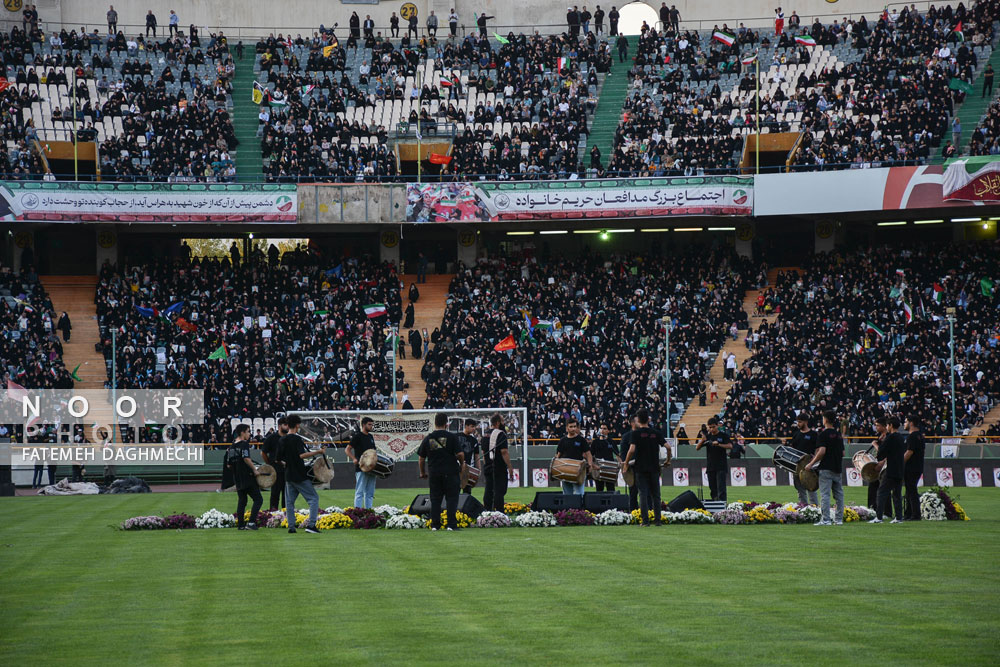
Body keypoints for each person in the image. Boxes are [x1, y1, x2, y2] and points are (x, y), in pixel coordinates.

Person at [418, 413, 465, 531]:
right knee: (452, 498)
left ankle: (435, 525)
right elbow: (460, 454)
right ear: (446, 423)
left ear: (435, 423)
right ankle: (451, 525)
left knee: (435, 499)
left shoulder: (429, 438)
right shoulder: (452, 437)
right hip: (451, 472)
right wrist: (461, 463)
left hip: (434, 473)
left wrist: (422, 472)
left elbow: (421, 458)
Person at [280, 415, 325, 534]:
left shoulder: (282, 439)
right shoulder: (297, 439)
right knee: (313, 498)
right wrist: (318, 451)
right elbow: (302, 455)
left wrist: (288, 463)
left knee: (289, 502)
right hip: (299, 474)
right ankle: (311, 525)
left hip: (288, 474)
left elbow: (278, 458)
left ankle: (291, 527)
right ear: (297, 425)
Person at [622, 409, 667, 526]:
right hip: (654, 468)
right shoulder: (656, 433)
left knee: (642, 494)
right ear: (648, 419)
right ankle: (658, 520)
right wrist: (668, 460)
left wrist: (626, 463)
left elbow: (631, 450)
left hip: (641, 468)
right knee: (656, 495)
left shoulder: (635, 434)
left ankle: (645, 521)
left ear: (638, 420)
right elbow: (668, 447)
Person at [806, 410, 845, 526]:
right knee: (839, 495)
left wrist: (811, 463)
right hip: (837, 468)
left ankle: (826, 520)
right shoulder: (838, 435)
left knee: (825, 495)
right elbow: (842, 453)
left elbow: (822, 451)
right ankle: (839, 520)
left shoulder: (823, 434)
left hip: (826, 468)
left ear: (826, 420)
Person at [228, 424, 262, 530]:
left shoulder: (232, 446)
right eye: (248, 431)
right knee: (258, 499)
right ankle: (251, 523)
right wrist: (254, 470)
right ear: (242, 432)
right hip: (247, 476)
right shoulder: (244, 444)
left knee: (242, 500)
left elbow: (228, 465)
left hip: (237, 478)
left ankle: (241, 525)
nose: (249, 434)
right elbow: (246, 459)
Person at [872, 417, 905, 523]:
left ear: (890, 425)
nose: (886, 427)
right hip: (900, 469)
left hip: (891, 469)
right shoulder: (901, 437)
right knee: (897, 494)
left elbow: (881, 452)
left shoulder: (890, 437)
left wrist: (876, 445)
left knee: (881, 492)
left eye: (887, 425)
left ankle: (879, 517)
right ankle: (899, 517)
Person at [482, 413, 513, 510]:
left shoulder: (485, 434)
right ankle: (499, 512)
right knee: (499, 490)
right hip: (498, 466)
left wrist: (486, 464)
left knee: (488, 489)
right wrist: (510, 467)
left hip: (487, 465)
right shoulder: (501, 434)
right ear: (498, 422)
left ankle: (487, 511)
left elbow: (483, 452)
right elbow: (504, 452)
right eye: (503, 421)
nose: (504, 423)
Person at [555, 417, 594, 495]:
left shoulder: (581, 440)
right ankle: (567, 507)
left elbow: (588, 454)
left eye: (574, 426)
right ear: (567, 428)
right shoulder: (563, 440)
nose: (573, 429)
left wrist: (590, 465)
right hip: (565, 470)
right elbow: (558, 456)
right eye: (571, 427)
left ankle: (579, 507)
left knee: (579, 494)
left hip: (579, 470)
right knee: (567, 495)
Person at [696, 416, 731, 501]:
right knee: (712, 488)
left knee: (721, 488)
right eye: (710, 427)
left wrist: (718, 444)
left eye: (713, 427)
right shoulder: (708, 437)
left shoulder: (723, 435)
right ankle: (715, 503)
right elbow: (697, 448)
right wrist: (702, 440)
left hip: (721, 465)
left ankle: (722, 505)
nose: (712, 429)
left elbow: (730, 446)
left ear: (717, 425)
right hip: (711, 466)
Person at [346, 416, 377, 509]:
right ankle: (358, 512)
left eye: (372, 424)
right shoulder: (357, 436)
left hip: (371, 468)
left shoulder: (371, 437)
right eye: (369, 424)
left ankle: (369, 511)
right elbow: (347, 450)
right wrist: (354, 459)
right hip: (361, 467)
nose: (371, 426)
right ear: (363, 425)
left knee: (370, 492)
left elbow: (373, 451)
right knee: (359, 492)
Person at [788, 411, 818, 505]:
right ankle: (803, 507)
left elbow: (818, 450)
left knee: (811, 488)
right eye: (797, 422)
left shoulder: (814, 434)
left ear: (806, 422)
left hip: (809, 466)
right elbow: (792, 449)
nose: (798, 424)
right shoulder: (796, 434)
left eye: (800, 422)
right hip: (797, 466)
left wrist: (813, 463)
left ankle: (814, 508)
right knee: (800, 490)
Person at [261, 417, 288, 511]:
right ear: (280, 426)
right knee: (275, 494)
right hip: (275, 470)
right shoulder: (271, 438)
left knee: (287, 494)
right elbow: (263, 452)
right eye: (286, 425)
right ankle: (273, 514)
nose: (288, 427)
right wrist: (269, 464)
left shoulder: (289, 438)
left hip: (287, 470)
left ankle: (286, 514)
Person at [902, 415, 925, 520]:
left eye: (906, 422)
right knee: (910, 490)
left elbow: (909, 452)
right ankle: (908, 513)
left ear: (911, 423)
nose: (904, 424)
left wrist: (899, 463)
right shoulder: (920, 435)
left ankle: (915, 514)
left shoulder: (912, 436)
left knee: (911, 491)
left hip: (911, 467)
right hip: (918, 466)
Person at [589, 423, 619, 492]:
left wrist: (620, 465)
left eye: (604, 428)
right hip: (598, 468)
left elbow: (617, 455)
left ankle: (612, 503)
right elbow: (590, 455)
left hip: (609, 468)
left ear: (608, 431)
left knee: (611, 489)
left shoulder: (611, 441)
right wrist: (592, 465)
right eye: (601, 428)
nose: (602, 430)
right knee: (599, 490)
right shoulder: (595, 442)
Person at [867, 418, 887, 509]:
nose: (876, 427)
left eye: (877, 425)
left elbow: (883, 452)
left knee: (883, 488)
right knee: (872, 486)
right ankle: (872, 507)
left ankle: (886, 511)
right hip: (878, 464)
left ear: (884, 426)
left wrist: (875, 444)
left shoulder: (888, 437)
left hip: (884, 465)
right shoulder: (880, 436)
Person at [459, 418, 482, 494]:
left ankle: (465, 506)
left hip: (468, 469)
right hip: (457, 468)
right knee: (455, 492)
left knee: (467, 492)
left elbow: (476, 455)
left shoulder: (474, 440)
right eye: (472, 426)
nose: (474, 428)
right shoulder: (456, 437)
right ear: (466, 426)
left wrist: (479, 469)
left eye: (474, 427)